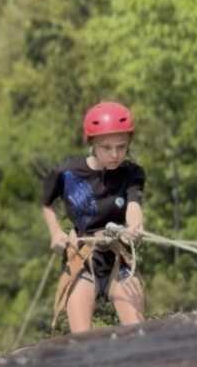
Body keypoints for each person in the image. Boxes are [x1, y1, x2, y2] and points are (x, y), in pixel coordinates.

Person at [40, 101, 146, 333]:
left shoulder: (132, 173)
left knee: (138, 333)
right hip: (83, 256)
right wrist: (55, 232)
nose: (115, 154)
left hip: (118, 257)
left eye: (122, 146)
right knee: (82, 339)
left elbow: (134, 205)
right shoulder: (66, 172)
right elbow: (46, 204)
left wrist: (135, 226)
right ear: (92, 144)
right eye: (106, 147)